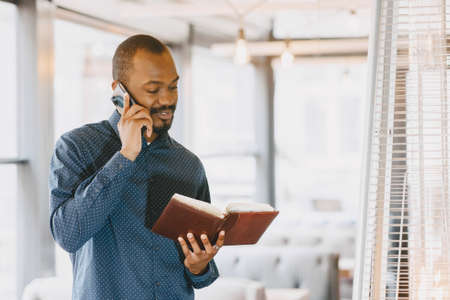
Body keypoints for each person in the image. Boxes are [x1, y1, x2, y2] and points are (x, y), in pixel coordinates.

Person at [48, 34, 225, 300]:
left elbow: (200, 271)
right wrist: (126, 155)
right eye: (153, 90)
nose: (167, 100)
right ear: (119, 90)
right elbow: (69, 235)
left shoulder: (189, 165)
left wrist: (199, 266)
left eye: (173, 87)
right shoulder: (76, 148)